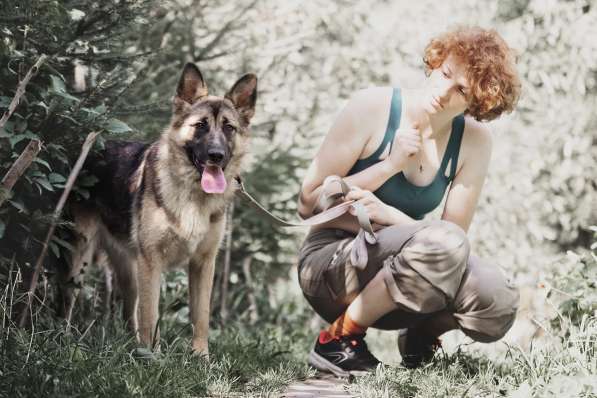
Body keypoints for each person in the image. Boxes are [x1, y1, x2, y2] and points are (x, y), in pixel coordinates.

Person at [297, 26, 522, 377]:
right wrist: (388, 167)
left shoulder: (475, 141)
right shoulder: (373, 107)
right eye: (445, 73)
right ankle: (338, 341)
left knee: (498, 299)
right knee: (443, 244)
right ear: (435, 63)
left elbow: (453, 239)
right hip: (332, 270)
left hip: (406, 280)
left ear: (477, 101)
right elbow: (308, 205)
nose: (443, 91)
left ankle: (420, 337)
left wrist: (388, 215)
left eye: (460, 89)